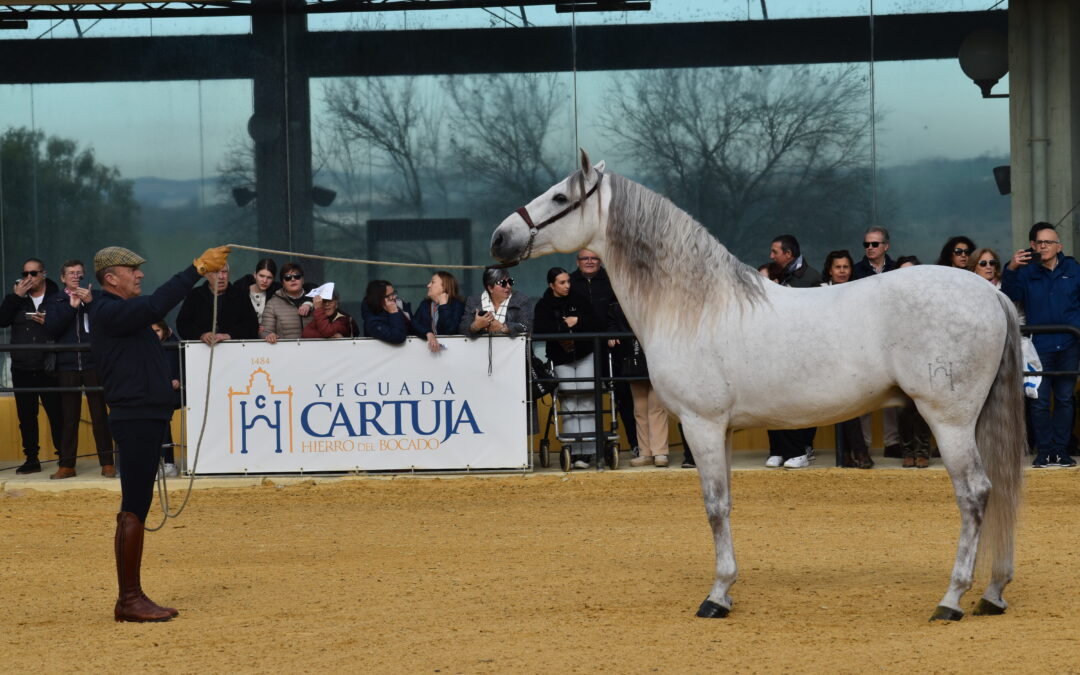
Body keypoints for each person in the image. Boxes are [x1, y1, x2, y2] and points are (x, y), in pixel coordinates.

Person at [88, 244, 229, 622]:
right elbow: (153, 306)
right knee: (133, 506)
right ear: (110, 278)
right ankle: (128, 598)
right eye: (131, 271)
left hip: (145, 415)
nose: (140, 275)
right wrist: (195, 269)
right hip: (134, 417)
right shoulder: (106, 310)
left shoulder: (122, 316)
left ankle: (130, 596)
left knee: (138, 504)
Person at [1002, 222, 1080, 468]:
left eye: (1049, 242)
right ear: (1033, 245)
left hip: (1069, 344)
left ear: (1060, 246)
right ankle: (1044, 451)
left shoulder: (1074, 268)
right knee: (1040, 401)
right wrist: (1011, 267)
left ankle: (1061, 451)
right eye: (1040, 242)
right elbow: (1010, 295)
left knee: (1066, 399)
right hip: (1039, 346)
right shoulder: (1026, 271)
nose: (1044, 246)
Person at [42, 260, 115, 479]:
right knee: (69, 417)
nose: (75, 276)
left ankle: (107, 463)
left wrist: (90, 303)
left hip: (94, 362)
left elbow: (108, 323)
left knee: (100, 415)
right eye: (71, 273)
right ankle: (67, 465)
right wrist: (71, 307)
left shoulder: (97, 296)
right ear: (62, 278)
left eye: (79, 273)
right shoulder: (55, 300)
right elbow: (52, 328)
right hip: (67, 364)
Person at [568, 250, 638, 455]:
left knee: (625, 396)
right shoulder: (569, 282)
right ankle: (587, 449)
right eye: (585, 258)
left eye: (594, 258)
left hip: (614, 347)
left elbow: (624, 311)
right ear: (578, 262)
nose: (589, 262)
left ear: (601, 260)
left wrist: (613, 332)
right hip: (581, 349)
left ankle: (635, 444)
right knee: (584, 397)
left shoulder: (613, 279)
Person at [0, 257, 63, 474]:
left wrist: (50, 321)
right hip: (22, 366)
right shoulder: (17, 299)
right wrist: (15, 296)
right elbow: (2, 320)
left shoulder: (57, 297)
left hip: (49, 365)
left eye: (34, 273)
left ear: (43, 274)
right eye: (25, 273)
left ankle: (64, 457)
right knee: (26, 417)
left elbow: (67, 325)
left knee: (57, 414)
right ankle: (31, 458)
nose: (29, 278)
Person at [533, 267, 600, 469]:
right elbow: (540, 329)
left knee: (587, 398)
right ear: (551, 285)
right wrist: (563, 329)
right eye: (562, 283)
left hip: (585, 354)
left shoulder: (579, 299)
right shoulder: (544, 305)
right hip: (561, 358)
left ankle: (588, 450)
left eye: (568, 281)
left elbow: (596, 322)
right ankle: (573, 447)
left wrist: (577, 321)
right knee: (569, 400)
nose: (567, 286)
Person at [765, 235, 818, 468]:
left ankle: (799, 451)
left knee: (795, 401)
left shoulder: (811, 277)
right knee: (771, 399)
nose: (771, 256)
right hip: (777, 349)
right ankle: (778, 449)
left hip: (803, 349)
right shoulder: (775, 276)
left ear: (789, 254)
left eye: (775, 252)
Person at [821, 250, 873, 468]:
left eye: (846, 267)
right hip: (823, 355)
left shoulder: (858, 291)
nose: (842, 271)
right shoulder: (819, 291)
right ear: (830, 270)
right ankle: (856, 453)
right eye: (838, 267)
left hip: (853, 355)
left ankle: (851, 453)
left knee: (849, 403)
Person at [609, 299, 670, 468]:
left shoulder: (658, 302)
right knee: (640, 408)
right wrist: (612, 334)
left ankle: (660, 452)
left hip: (657, 358)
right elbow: (612, 323)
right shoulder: (618, 303)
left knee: (656, 408)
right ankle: (645, 452)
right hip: (632, 359)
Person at [176, 263, 259, 343]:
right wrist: (202, 335)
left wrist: (229, 335)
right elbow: (183, 324)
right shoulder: (195, 295)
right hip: (201, 351)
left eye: (224, 272)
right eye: (215, 272)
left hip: (233, 350)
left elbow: (251, 325)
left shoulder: (240, 295)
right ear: (207, 275)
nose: (221, 277)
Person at [461, 267, 532, 337]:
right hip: (481, 347)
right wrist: (476, 326)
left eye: (510, 281)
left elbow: (527, 327)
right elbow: (462, 328)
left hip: (512, 348)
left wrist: (503, 328)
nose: (508, 286)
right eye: (503, 283)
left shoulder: (521, 300)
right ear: (490, 288)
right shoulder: (473, 301)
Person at [151, 320, 182, 478]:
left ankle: (168, 463)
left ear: (165, 331)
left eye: (157, 331)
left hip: (168, 394)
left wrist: (179, 380)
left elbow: (183, 365)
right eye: (152, 331)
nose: (154, 334)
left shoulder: (173, 345)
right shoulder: (144, 345)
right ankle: (156, 463)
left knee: (163, 425)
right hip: (148, 393)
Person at [260, 262, 315, 343]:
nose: (293, 279)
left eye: (297, 276)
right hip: (285, 353)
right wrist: (269, 335)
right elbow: (264, 332)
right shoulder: (272, 303)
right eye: (287, 277)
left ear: (303, 280)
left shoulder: (315, 299)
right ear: (282, 283)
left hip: (315, 351)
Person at [413, 271, 466, 353]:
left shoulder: (457, 305)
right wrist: (427, 333)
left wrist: (443, 306)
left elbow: (450, 330)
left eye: (432, 282)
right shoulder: (425, 304)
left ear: (444, 286)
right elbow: (414, 324)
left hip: (453, 354)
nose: (428, 285)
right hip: (427, 356)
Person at [237, 258, 278, 324]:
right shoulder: (240, 290)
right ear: (255, 275)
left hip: (267, 333)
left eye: (269, 277)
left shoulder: (276, 291)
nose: (265, 281)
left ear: (273, 279)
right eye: (261, 276)